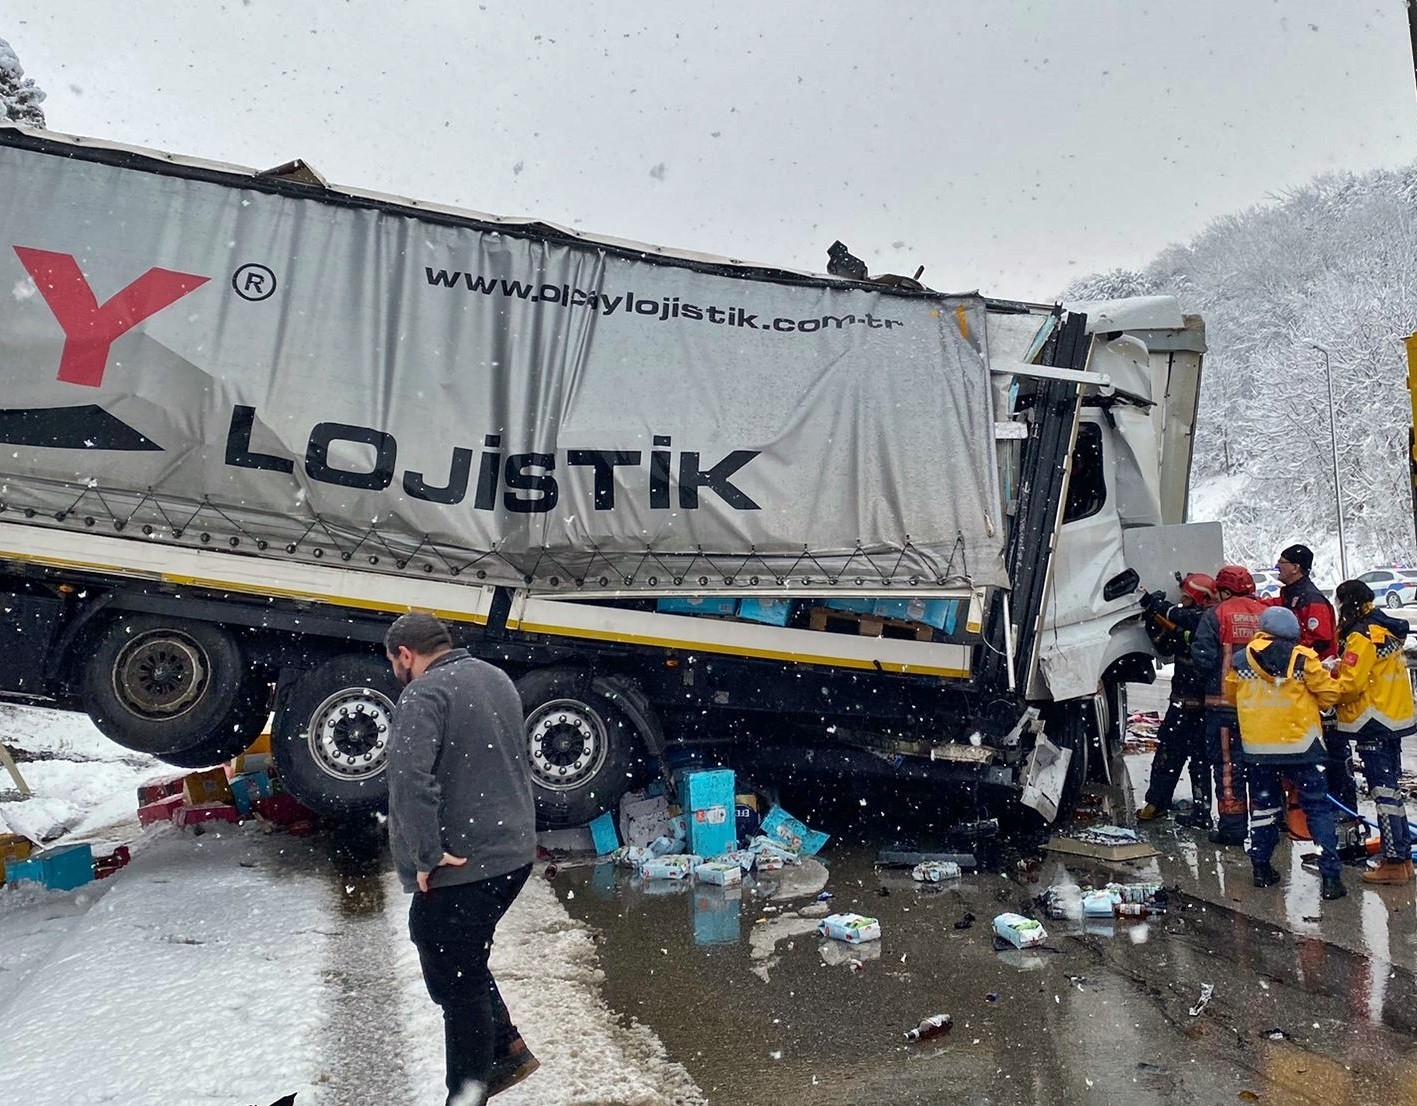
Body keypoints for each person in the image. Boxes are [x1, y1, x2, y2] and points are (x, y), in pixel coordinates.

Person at [384, 612, 539, 1106]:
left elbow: (410, 781)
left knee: (454, 974)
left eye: (393, 662)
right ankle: (505, 1047)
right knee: (460, 954)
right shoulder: (496, 678)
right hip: (513, 853)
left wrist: (425, 854)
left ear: (405, 655)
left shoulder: (424, 694)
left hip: (466, 860)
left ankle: (469, 1091)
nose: (396, 671)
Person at [1226, 605, 1347, 900]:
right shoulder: (1303, 658)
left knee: (1264, 808)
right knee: (1317, 808)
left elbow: (1231, 696)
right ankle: (1330, 878)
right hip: (1302, 747)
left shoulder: (1241, 659)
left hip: (1259, 749)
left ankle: (1261, 867)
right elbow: (1329, 694)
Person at [1332, 580, 1416, 884]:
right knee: (1391, 791)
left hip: (1371, 721)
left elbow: (1351, 684)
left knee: (1383, 793)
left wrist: (1328, 688)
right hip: (1393, 717)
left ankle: (1393, 862)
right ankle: (1403, 858)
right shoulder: (1385, 628)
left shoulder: (1361, 635)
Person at [1266, 543, 1357, 817]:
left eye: (1281, 563)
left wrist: (1291, 661)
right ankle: (1314, 809)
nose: (1277, 568)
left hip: (1317, 687)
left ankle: (1340, 809)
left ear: (1296, 567)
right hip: (1301, 688)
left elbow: (1321, 642)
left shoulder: (1310, 599)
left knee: (1330, 750)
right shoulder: (1290, 596)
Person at [1191, 565, 1268, 844]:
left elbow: (1202, 658)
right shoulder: (1266, 614)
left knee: (1227, 767)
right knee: (1262, 767)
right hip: (1262, 709)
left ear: (1223, 590)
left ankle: (1233, 829)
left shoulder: (1216, 615)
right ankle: (1265, 827)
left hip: (1224, 706)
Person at [1136, 573, 1217, 826]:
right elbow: (1167, 646)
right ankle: (1175, 805)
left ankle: (1188, 809)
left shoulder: (1206, 619)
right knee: (1178, 755)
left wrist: (1155, 605)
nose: (1182, 599)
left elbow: (1179, 620)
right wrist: (1153, 619)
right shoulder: (1201, 620)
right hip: (1192, 702)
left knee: (1176, 755)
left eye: (1186, 595)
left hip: (1193, 703)